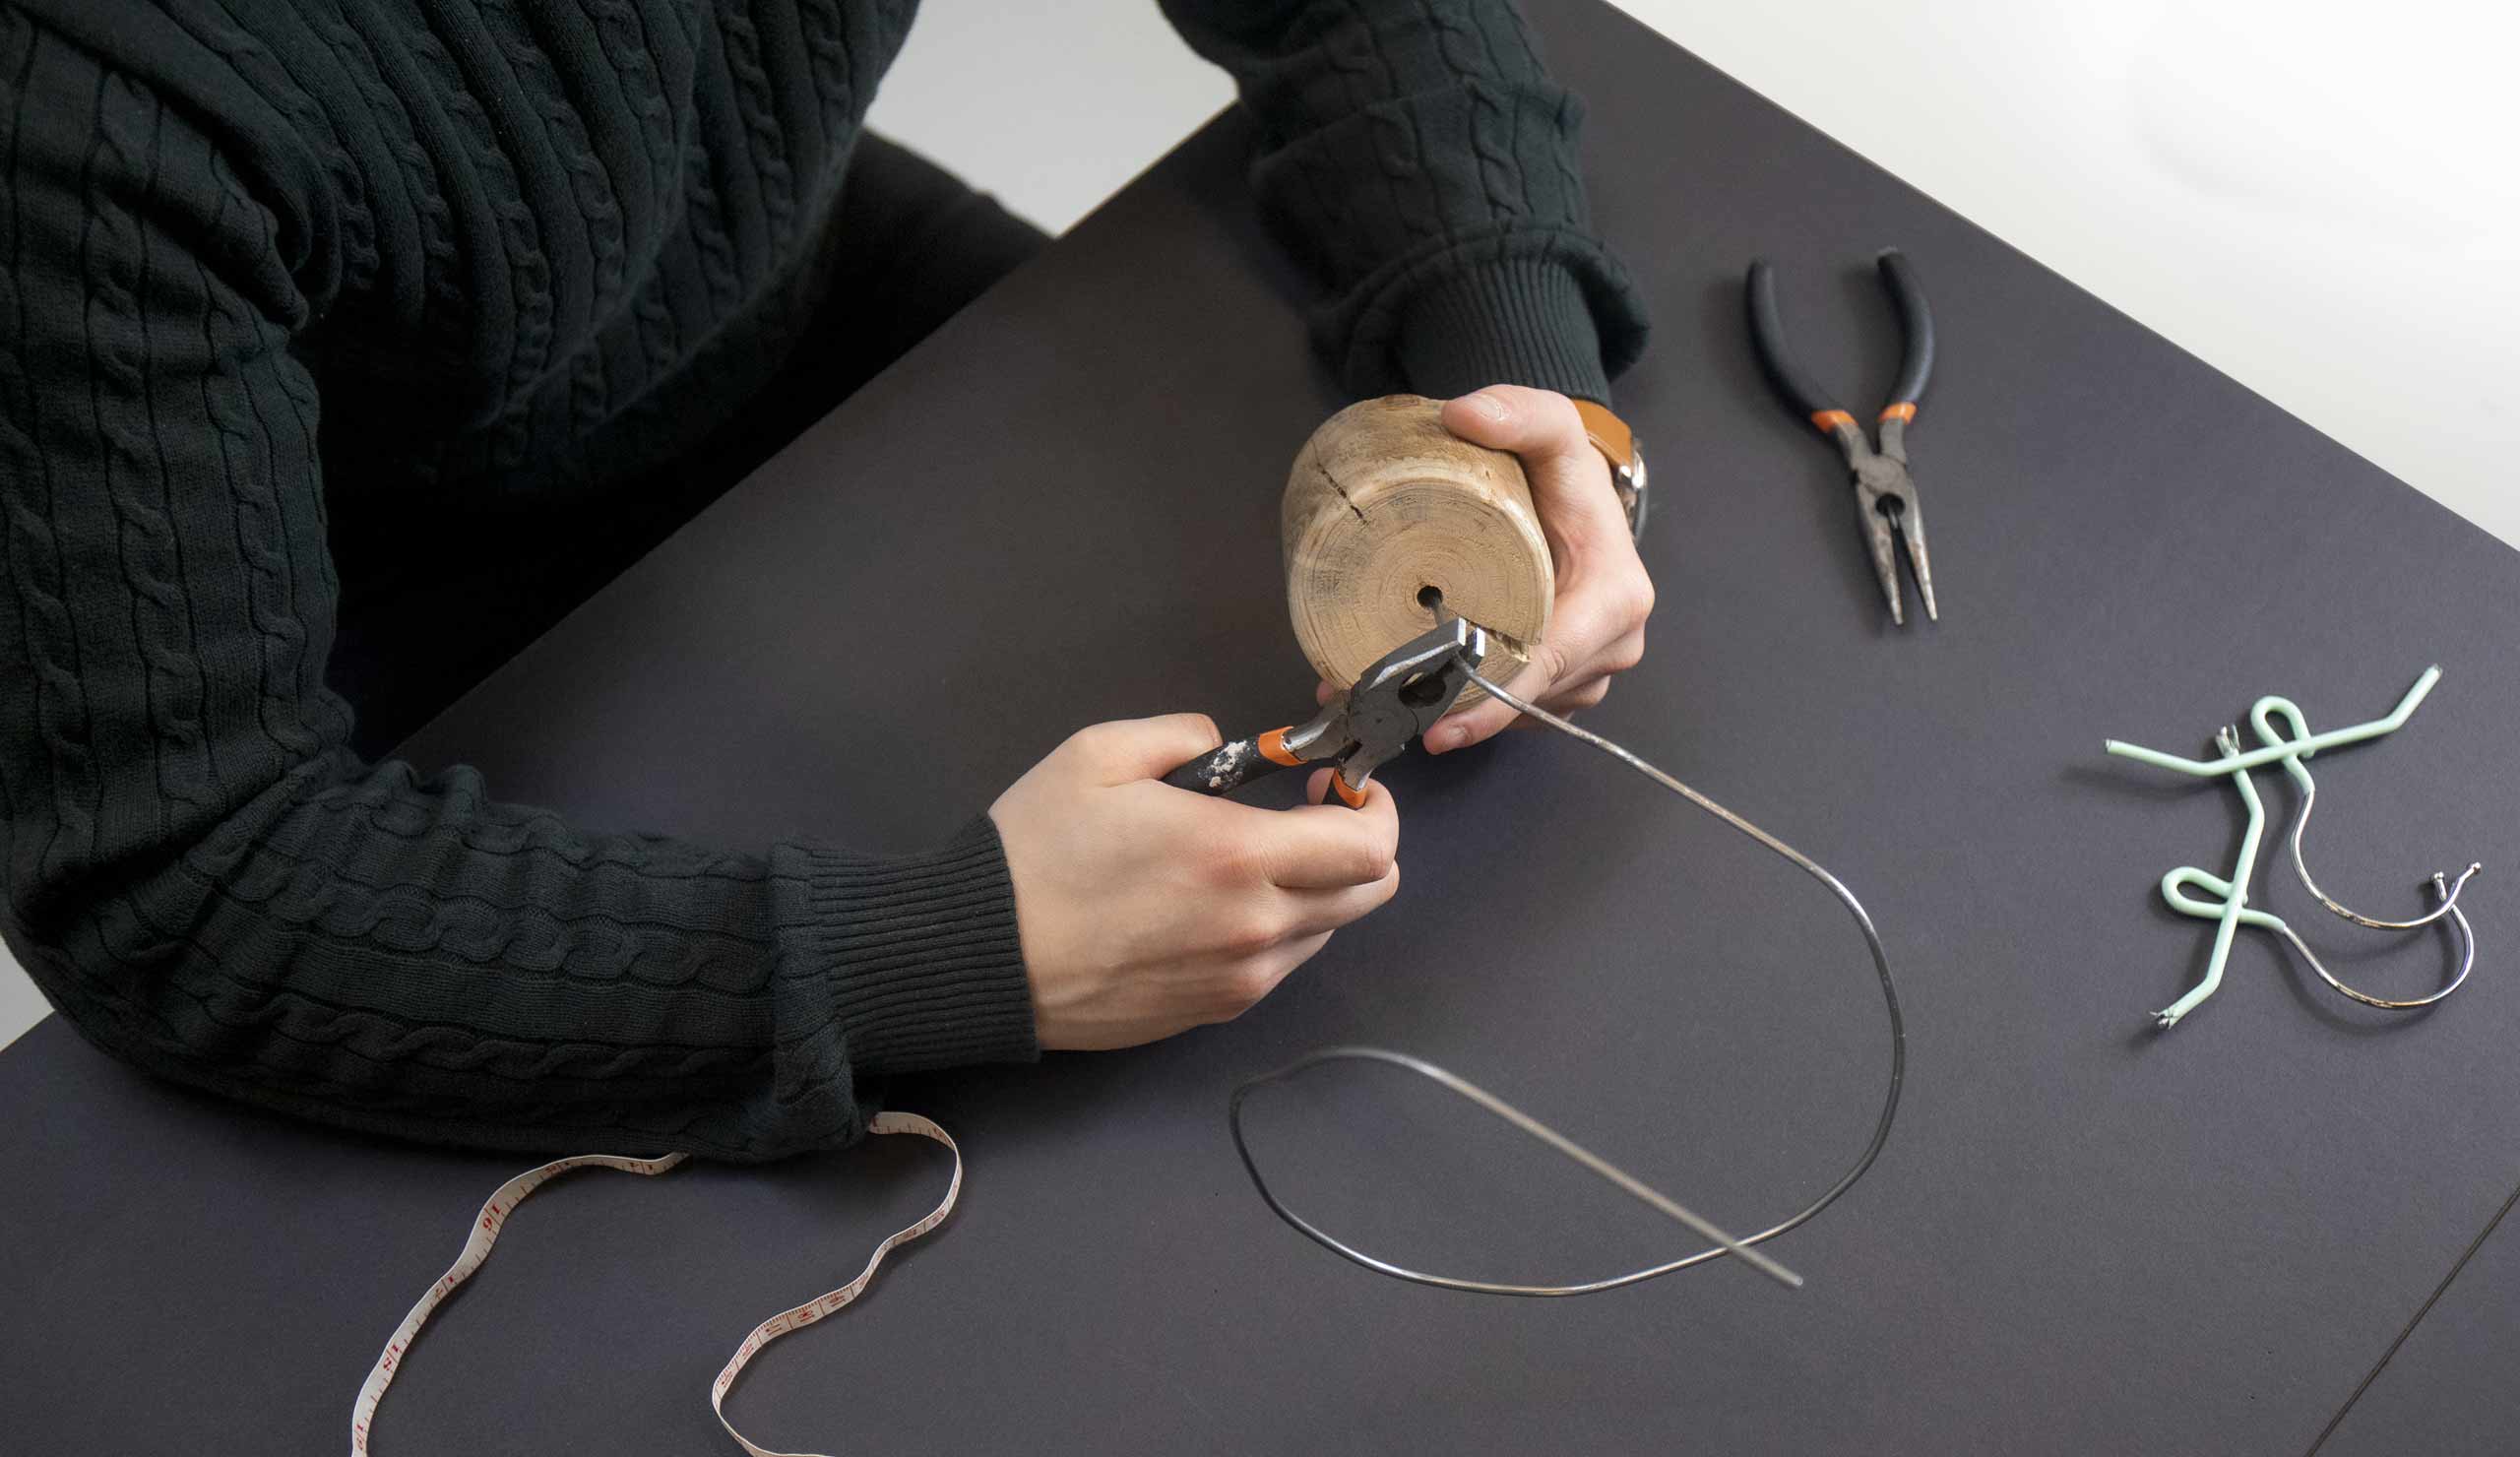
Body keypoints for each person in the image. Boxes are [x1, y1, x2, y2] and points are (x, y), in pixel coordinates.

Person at [0, 0, 1653, 1159]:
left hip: (762, 280)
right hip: (360, 567)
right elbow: (178, 876)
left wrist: (1519, 386)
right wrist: (938, 957)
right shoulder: (69, 99)